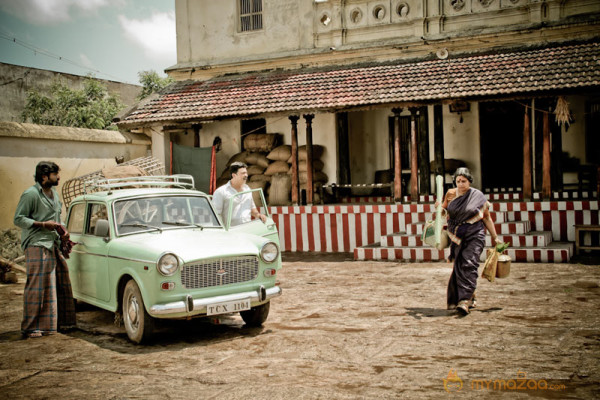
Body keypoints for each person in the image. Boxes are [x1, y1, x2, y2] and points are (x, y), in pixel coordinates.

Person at [14, 161, 76, 338]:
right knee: (37, 286)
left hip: (52, 242)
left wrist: (64, 231)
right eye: (56, 174)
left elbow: (57, 218)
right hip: (36, 242)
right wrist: (42, 224)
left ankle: (57, 324)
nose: (59, 177)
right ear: (44, 176)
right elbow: (19, 219)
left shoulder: (54, 194)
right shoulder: (30, 194)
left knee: (60, 281)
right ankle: (31, 327)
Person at [440, 167, 499, 316]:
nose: (460, 184)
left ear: (469, 181)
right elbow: (443, 211)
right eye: (458, 181)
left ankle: (464, 301)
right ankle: (470, 295)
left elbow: (486, 217)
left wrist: (495, 236)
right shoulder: (450, 194)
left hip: (475, 234)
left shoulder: (477, 195)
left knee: (469, 263)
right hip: (457, 236)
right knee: (459, 266)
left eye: (464, 181)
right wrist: (438, 210)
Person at [212, 161, 267, 226]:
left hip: (247, 229)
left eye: (246, 173)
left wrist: (259, 215)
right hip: (231, 231)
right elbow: (215, 215)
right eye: (243, 173)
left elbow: (252, 209)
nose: (246, 175)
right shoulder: (221, 191)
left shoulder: (247, 189)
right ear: (234, 175)